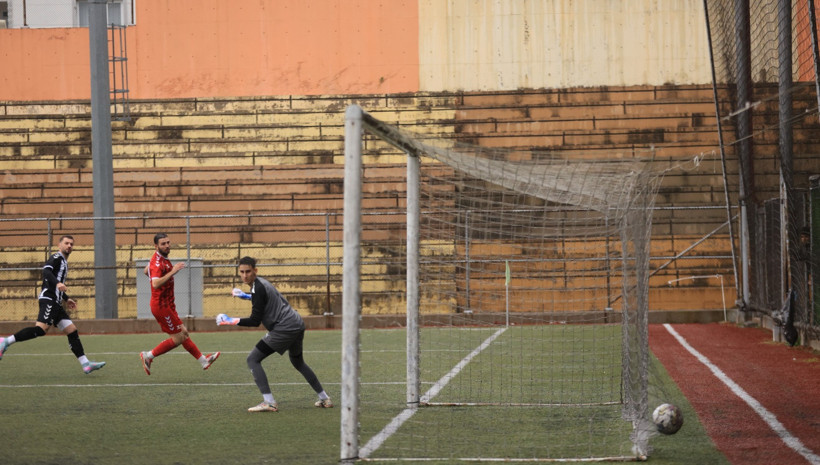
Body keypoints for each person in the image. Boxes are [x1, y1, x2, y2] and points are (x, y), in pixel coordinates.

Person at [216, 256, 333, 412]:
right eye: (242, 272)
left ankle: (269, 402)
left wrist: (230, 320)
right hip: (296, 323)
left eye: (248, 271)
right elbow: (263, 298)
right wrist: (244, 296)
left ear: (255, 271)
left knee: (253, 359)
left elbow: (255, 320)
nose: (245, 275)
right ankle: (325, 398)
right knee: (298, 362)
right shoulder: (261, 283)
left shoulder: (257, 287)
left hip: (285, 327)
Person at [0, 235, 105, 374]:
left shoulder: (64, 262)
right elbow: (46, 271)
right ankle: (5, 341)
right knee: (41, 330)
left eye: (71, 244)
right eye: (66, 243)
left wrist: (66, 298)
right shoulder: (56, 257)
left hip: (56, 302)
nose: (69, 246)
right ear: (59, 245)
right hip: (49, 299)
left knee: (72, 330)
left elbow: (56, 284)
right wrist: (58, 283)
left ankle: (86, 364)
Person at [139, 233, 219, 375]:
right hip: (161, 306)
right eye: (163, 244)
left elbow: (146, 271)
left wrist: (155, 270)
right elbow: (155, 283)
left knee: (184, 333)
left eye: (168, 242)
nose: (167, 246)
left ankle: (204, 361)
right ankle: (148, 356)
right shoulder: (158, 262)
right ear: (156, 246)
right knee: (178, 338)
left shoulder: (160, 259)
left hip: (168, 305)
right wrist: (173, 271)